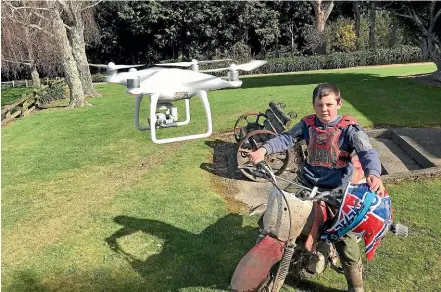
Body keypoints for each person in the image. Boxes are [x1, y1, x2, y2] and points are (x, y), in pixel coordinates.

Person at [248, 83, 385, 292]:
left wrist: (373, 173)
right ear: (313, 106)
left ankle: (356, 286)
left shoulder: (350, 128)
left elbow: (367, 153)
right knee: (278, 215)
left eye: (329, 104)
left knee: (344, 238)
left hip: (338, 192)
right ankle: (273, 257)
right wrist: (264, 149)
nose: (325, 109)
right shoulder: (307, 124)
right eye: (319, 105)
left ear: (339, 103)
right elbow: (286, 138)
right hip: (306, 184)